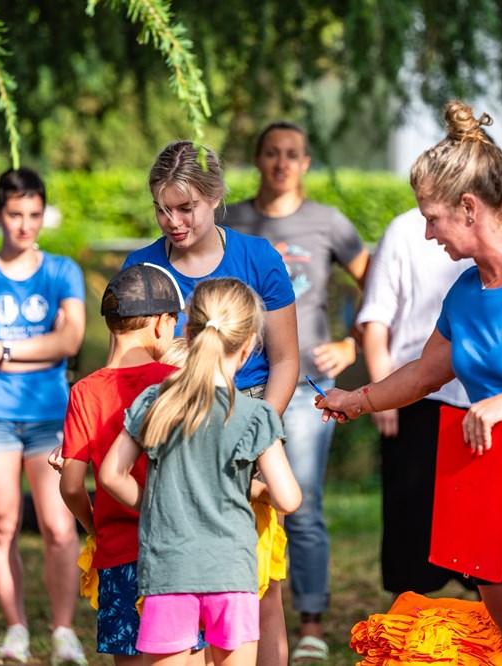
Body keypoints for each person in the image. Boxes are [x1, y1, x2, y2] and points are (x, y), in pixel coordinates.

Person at [314, 100, 502, 666]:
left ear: (468, 207)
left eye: (431, 217)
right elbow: (422, 375)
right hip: (487, 477)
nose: (427, 232)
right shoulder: (464, 290)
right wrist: (354, 400)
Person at [122, 140, 299, 666]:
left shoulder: (259, 258)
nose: (171, 221)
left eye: (184, 208)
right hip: (170, 428)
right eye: (161, 207)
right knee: (173, 580)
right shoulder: (142, 266)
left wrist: (256, 433)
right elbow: (130, 368)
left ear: (215, 197)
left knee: (258, 587)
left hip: (247, 420)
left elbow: (287, 360)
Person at [99, 277, 302, 666]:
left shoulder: (155, 402)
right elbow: (289, 499)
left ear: (187, 335)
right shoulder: (255, 415)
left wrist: (153, 506)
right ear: (247, 349)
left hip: (167, 570)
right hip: (232, 574)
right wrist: (255, 492)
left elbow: (111, 475)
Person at [224, 121, 369, 662]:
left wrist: (354, 346)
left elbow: (376, 282)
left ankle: (308, 621)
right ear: (258, 160)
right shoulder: (233, 221)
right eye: (271, 153)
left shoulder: (328, 223)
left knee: (299, 503)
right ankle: (238, 614)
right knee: (235, 499)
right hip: (235, 385)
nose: (282, 163)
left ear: (306, 162)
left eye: (293, 154)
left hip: (308, 386)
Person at [0, 167, 87, 665]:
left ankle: (63, 632)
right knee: (1, 523)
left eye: (34, 214)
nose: (25, 225)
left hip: (49, 414)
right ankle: (16, 630)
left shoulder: (61, 271)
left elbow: (69, 342)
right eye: (15, 214)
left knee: (58, 525)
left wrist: (3, 348)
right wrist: (40, 346)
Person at [57, 263, 194, 666]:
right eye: (174, 322)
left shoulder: (84, 391)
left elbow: (69, 486)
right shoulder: (178, 381)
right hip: (180, 551)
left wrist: (96, 526)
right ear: (159, 324)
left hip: (118, 554)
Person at [355, 207, 476, 597]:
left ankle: (484, 633)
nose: (431, 232)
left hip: (479, 398)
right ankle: (408, 627)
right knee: (411, 520)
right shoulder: (405, 229)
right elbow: (376, 316)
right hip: (414, 393)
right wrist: (381, 394)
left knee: (479, 531)